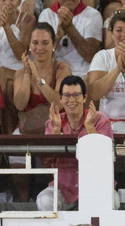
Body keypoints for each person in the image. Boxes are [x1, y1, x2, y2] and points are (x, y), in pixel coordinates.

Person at [42, 75, 110, 211]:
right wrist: (56, 130)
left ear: (84, 97)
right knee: (44, 201)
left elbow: (104, 157)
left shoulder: (100, 120)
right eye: (66, 95)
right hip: (62, 188)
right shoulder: (53, 122)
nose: (71, 100)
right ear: (60, 99)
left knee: (109, 202)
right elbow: (46, 160)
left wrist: (89, 126)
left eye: (76, 95)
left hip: (96, 187)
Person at [38, 0, 102, 79]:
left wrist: (70, 28)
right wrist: (57, 38)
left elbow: (90, 56)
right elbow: (40, 56)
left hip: (83, 75)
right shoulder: (46, 15)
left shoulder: (93, 15)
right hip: (55, 74)